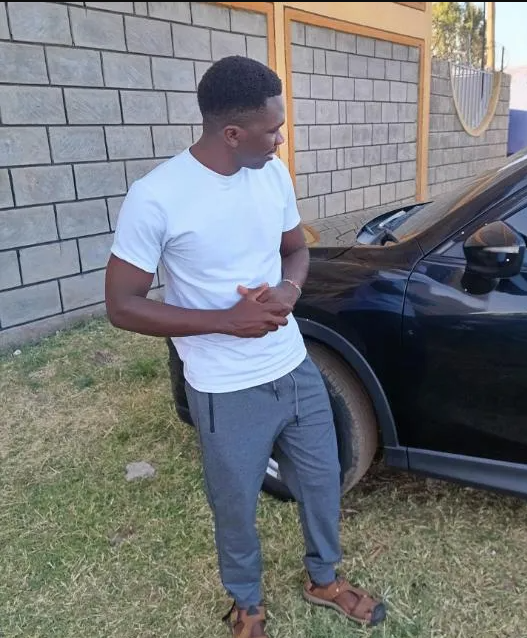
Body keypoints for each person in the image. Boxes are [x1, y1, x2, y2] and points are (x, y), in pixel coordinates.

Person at [105, 55, 386, 638]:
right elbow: (122, 304)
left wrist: (288, 290)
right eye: (272, 130)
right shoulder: (157, 196)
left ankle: (324, 578)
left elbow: (295, 250)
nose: (281, 141)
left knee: (321, 481)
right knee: (235, 505)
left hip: (293, 366)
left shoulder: (272, 175)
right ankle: (247, 604)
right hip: (225, 387)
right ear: (232, 133)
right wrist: (225, 322)